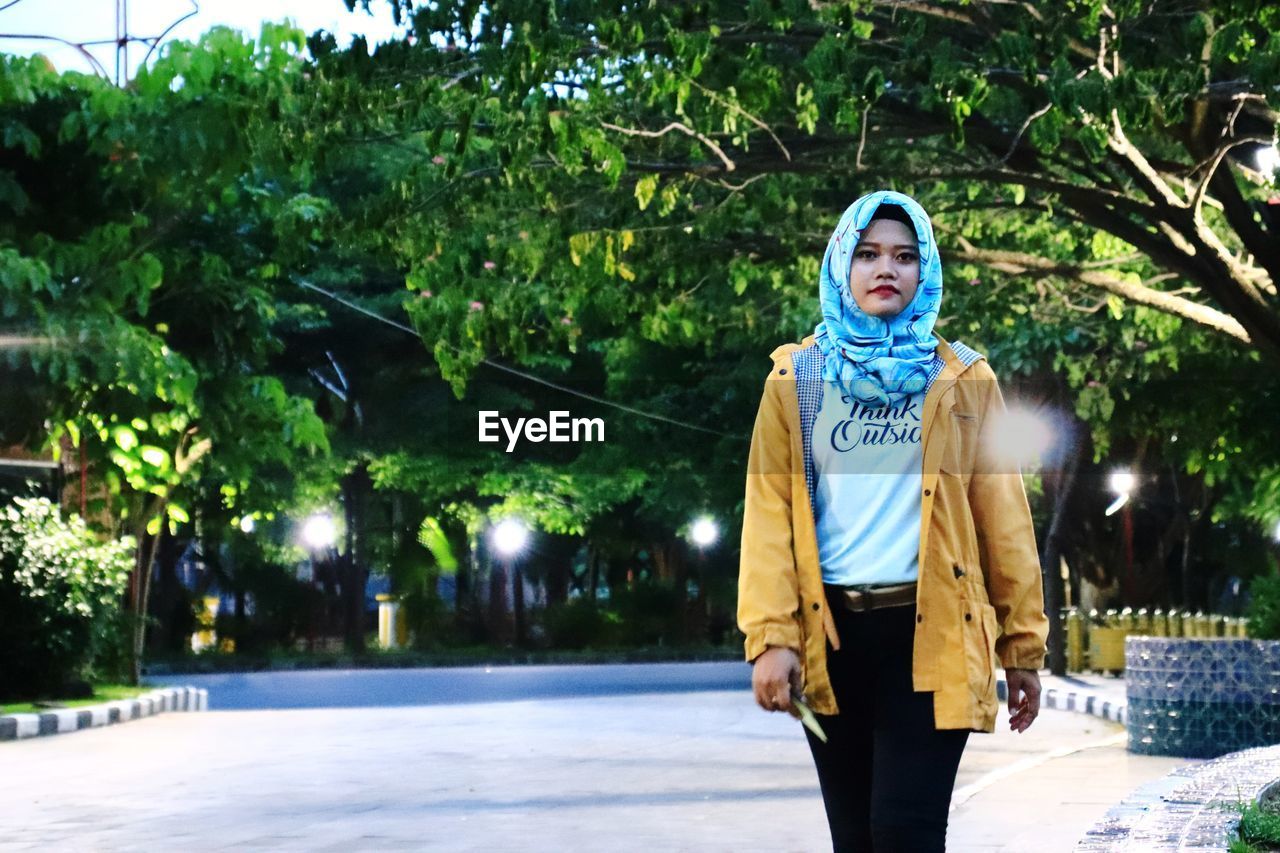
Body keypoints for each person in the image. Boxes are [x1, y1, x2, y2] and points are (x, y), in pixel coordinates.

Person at [737, 189, 1049, 853]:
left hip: (933, 635)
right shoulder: (797, 378)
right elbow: (768, 519)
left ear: (925, 271)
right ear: (841, 267)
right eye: (869, 253)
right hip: (832, 640)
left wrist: (1021, 647)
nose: (887, 268)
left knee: (905, 834)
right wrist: (770, 636)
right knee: (855, 839)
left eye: (906, 256)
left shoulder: (963, 379)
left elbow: (1006, 523)